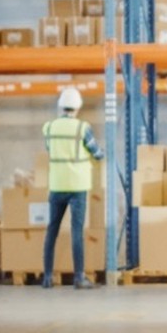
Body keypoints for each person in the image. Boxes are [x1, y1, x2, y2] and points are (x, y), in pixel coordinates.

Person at [41, 87, 105, 290]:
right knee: (77, 232)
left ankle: (48, 278)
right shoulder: (82, 128)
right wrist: (99, 154)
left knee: (52, 230)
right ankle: (79, 278)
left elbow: (50, 149)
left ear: (61, 106)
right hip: (78, 186)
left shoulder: (49, 127)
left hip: (57, 185)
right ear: (78, 108)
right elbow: (96, 152)